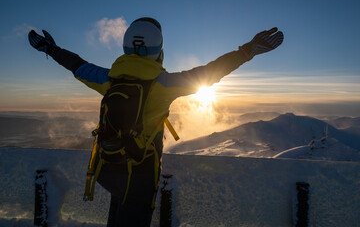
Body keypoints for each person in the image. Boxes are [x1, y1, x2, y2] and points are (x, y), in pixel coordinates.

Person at [28, 17, 284, 226]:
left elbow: (77, 65)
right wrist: (248, 51)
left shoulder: (108, 79)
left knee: (117, 214)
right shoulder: (163, 85)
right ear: (158, 51)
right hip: (140, 175)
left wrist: (50, 49)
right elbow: (210, 72)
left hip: (109, 168)